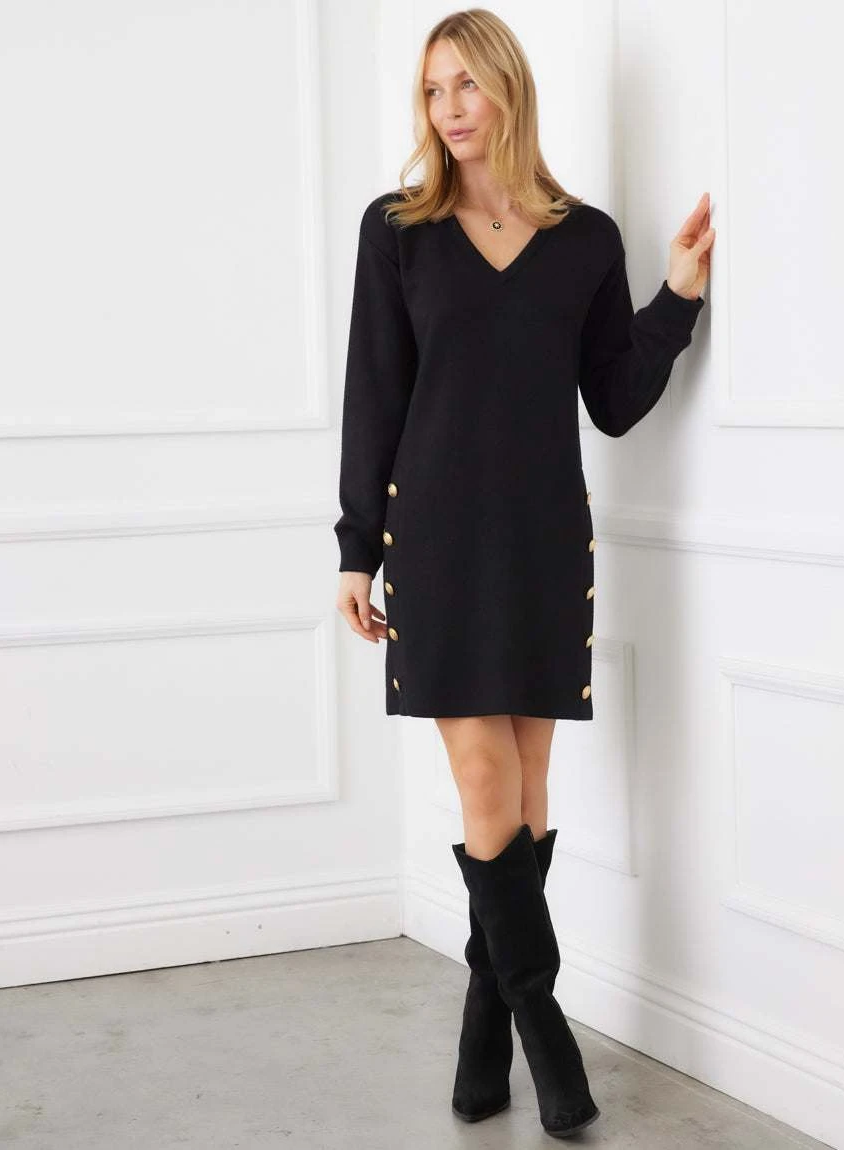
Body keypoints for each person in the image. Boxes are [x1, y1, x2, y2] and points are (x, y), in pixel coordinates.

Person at [334, 7, 713, 1138]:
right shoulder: (397, 232)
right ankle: (547, 1036)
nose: (448, 108)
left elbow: (614, 397)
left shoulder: (586, 239)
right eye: (432, 89)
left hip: (546, 538)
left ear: (508, 88)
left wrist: (677, 297)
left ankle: (480, 1037)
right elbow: (373, 396)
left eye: (467, 84)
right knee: (487, 783)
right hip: (438, 541)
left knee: (530, 791)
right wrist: (357, 548)